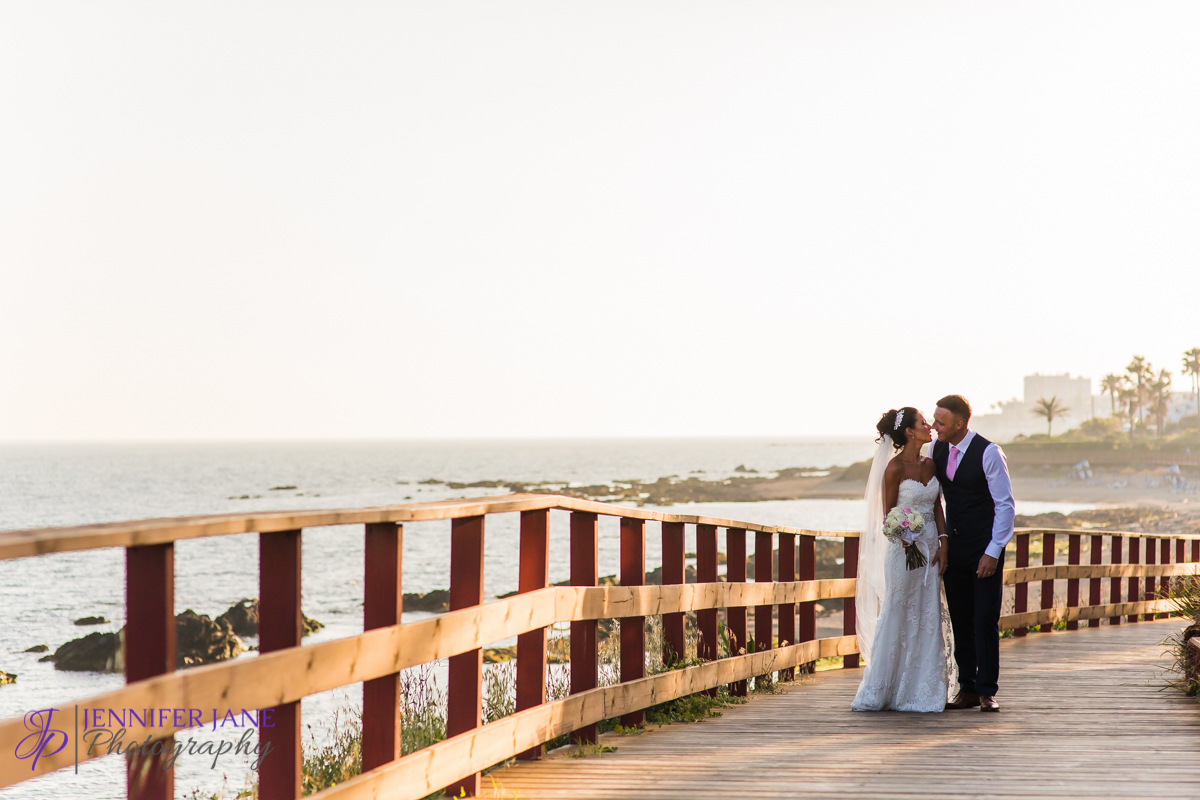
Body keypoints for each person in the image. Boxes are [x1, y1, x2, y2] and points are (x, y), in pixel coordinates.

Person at [851, 407, 956, 712]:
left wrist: (943, 542)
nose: (930, 427)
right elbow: (888, 518)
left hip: (931, 550)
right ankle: (885, 687)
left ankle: (923, 689)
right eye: (924, 423)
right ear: (910, 432)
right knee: (898, 611)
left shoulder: (931, 464)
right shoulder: (894, 469)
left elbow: (937, 506)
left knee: (927, 614)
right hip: (903, 551)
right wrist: (905, 536)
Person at [930, 394, 1015, 713]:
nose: (935, 425)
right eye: (934, 419)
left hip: (985, 548)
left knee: (984, 618)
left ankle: (987, 691)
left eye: (941, 421)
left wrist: (993, 551)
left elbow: (1005, 505)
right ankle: (966, 688)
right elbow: (932, 495)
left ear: (960, 423)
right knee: (961, 618)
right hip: (954, 548)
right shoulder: (935, 447)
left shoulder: (989, 452)